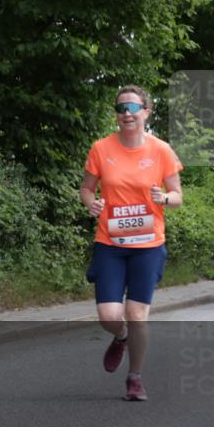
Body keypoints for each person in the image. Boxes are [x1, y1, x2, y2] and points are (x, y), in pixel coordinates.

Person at [79, 85, 183, 401]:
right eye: (121, 108)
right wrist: (92, 204)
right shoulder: (101, 148)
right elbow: (86, 189)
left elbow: (178, 196)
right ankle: (120, 337)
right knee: (109, 315)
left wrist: (164, 198)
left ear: (146, 112)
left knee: (137, 314)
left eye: (134, 108)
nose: (127, 113)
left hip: (148, 246)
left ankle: (135, 379)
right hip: (110, 243)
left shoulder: (161, 150)